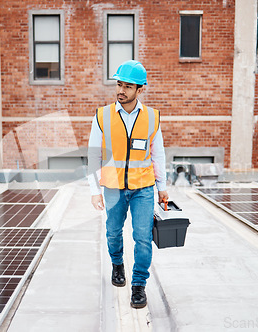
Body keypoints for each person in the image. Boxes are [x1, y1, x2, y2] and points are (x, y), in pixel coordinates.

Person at [87, 60, 168, 309]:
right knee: (113, 233)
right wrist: (94, 190)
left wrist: (162, 187)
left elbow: (158, 154)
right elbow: (93, 154)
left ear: (140, 89)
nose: (121, 90)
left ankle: (138, 286)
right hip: (112, 187)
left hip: (143, 188)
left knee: (142, 237)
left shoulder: (152, 118)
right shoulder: (103, 115)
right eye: (119, 84)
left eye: (127, 86)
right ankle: (117, 264)